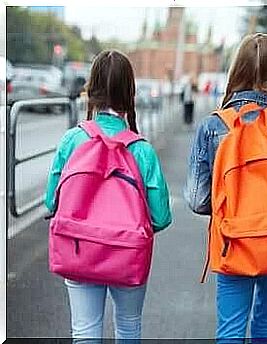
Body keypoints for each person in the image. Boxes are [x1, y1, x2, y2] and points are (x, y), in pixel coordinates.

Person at [184, 33, 267, 343]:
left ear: (237, 69)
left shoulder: (213, 126)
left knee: (230, 331)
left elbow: (195, 199)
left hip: (233, 241)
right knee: (264, 326)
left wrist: (231, 204)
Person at [45, 49, 172, 343]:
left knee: (85, 331)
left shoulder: (72, 140)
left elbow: (50, 202)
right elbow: (161, 217)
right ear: (130, 92)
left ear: (91, 89)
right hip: (127, 254)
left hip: (78, 250)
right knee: (128, 327)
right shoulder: (141, 150)